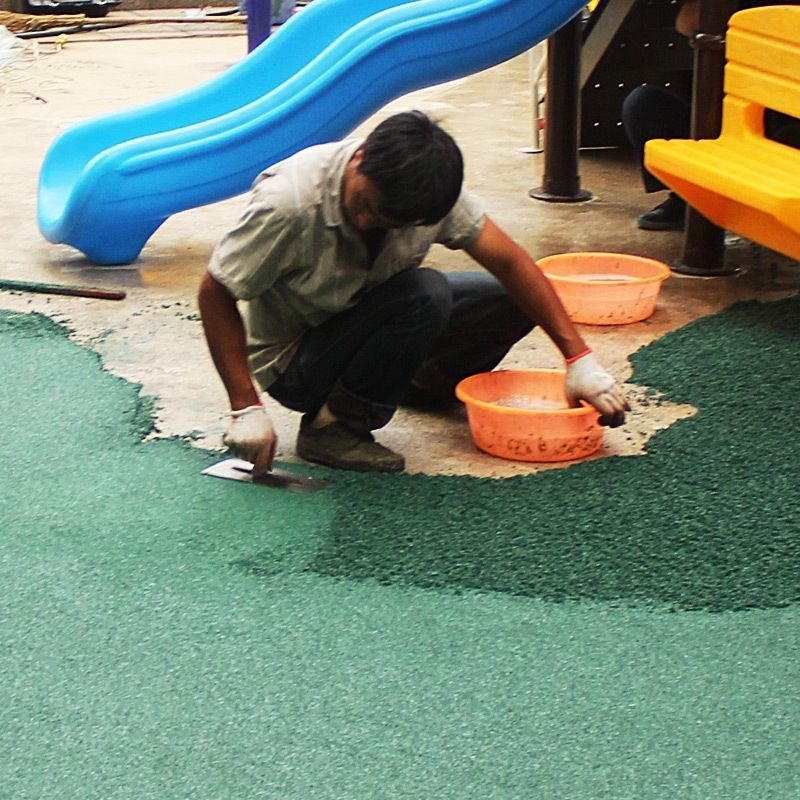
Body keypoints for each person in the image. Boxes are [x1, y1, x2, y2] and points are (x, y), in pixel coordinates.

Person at [198, 111, 629, 475]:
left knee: (508, 296)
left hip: (368, 319)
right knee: (424, 292)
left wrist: (579, 360)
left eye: (389, 222)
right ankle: (333, 428)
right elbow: (215, 290)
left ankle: (423, 385)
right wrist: (245, 406)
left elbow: (512, 263)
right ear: (361, 157)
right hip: (297, 363)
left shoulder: (430, 190)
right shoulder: (289, 202)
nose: (366, 223)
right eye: (365, 205)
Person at [623, 0, 800, 231]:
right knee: (643, 103)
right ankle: (688, 198)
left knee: (788, 135)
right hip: (734, 118)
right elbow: (687, 23)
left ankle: (772, 218)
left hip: (782, 122)